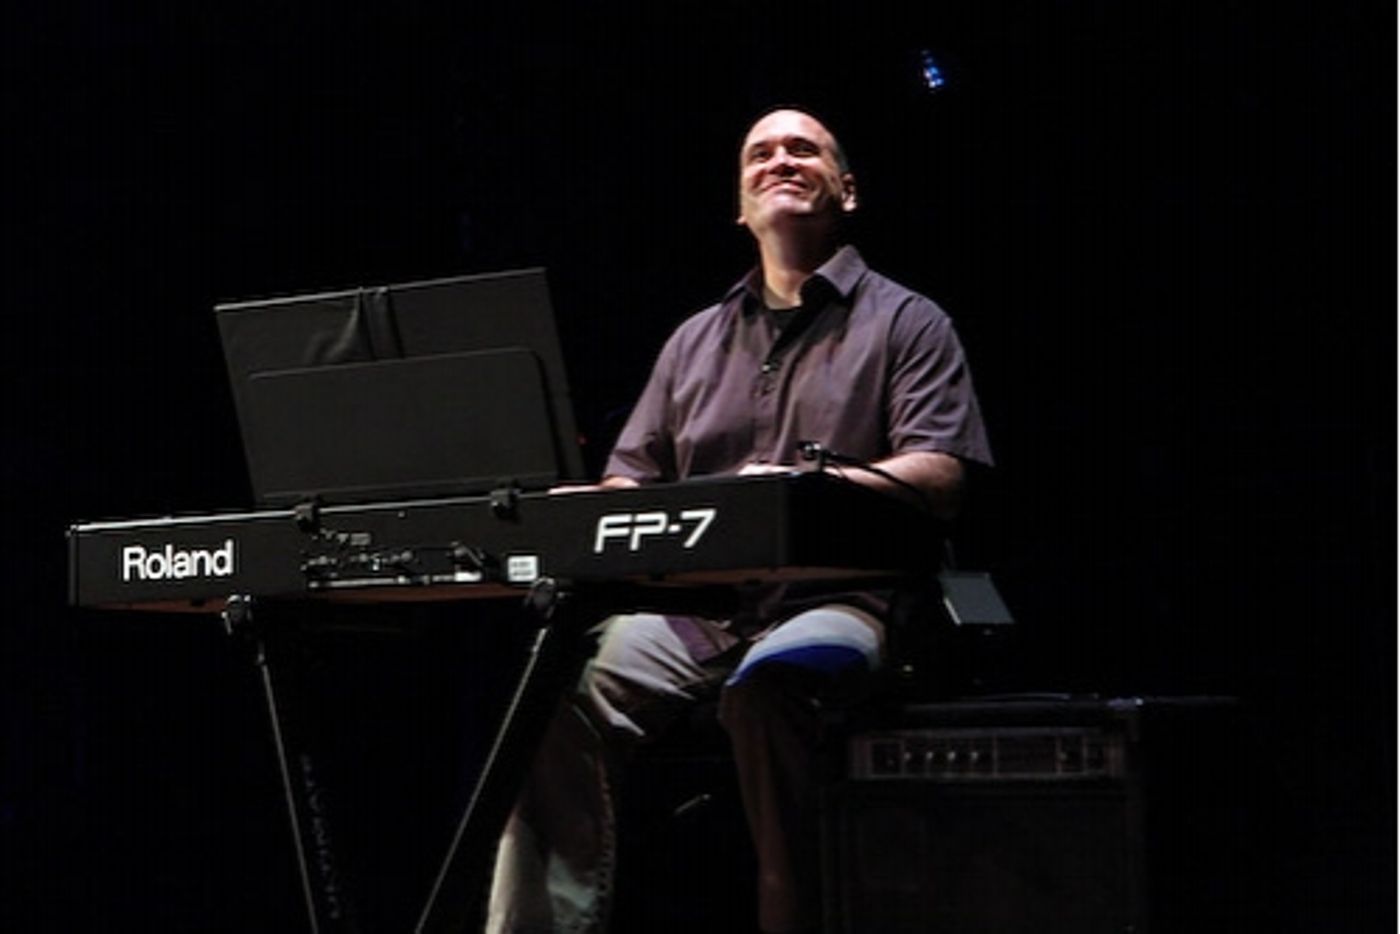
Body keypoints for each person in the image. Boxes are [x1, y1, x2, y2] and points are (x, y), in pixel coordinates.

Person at [487, 107, 992, 933]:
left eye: (803, 149)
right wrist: (587, 507)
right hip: (700, 610)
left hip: (842, 598)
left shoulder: (908, 321)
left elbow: (939, 473)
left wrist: (806, 484)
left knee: (768, 691)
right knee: (553, 702)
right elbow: (632, 480)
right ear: (739, 204)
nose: (779, 160)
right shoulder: (693, 341)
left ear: (847, 191)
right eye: (760, 153)